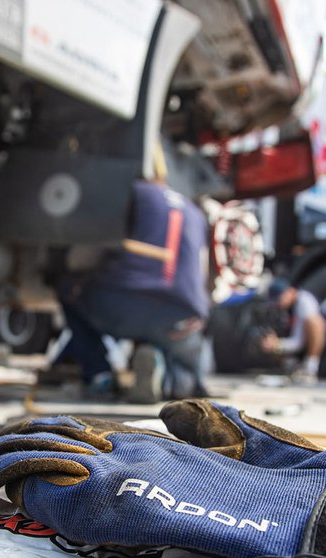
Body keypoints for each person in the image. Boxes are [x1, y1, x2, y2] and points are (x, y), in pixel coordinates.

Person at [54, 151, 212, 403]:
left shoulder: (133, 192)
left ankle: (99, 374)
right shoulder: (196, 212)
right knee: (181, 353)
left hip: (125, 303)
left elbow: (89, 251)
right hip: (184, 316)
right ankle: (173, 376)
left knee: (67, 291)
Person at [260, 277, 326, 383]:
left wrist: (278, 344)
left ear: (290, 291)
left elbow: (299, 342)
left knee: (315, 322)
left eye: (279, 299)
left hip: (312, 346)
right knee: (268, 338)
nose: (277, 303)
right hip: (294, 347)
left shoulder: (304, 300)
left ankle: (310, 369)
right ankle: (292, 368)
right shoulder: (282, 310)